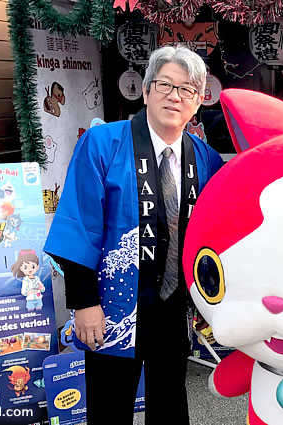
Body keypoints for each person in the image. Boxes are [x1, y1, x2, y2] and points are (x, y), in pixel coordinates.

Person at [44, 46, 223, 424]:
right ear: (145, 91)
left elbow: (214, 234)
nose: (174, 96)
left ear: (197, 102)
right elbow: (79, 224)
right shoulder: (102, 144)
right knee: (110, 407)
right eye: (165, 85)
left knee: (170, 404)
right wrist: (84, 302)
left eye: (187, 90)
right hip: (112, 305)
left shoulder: (205, 157)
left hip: (173, 308)